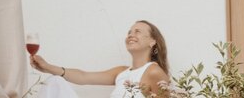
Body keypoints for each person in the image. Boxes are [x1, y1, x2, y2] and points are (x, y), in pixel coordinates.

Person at [30, 21, 171, 98]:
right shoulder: (121, 72)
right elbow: (83, 77)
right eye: (129, 32)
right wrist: (48, 67)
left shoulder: (153, 72)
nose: (130, 35)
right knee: (54, 82)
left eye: (137, 32)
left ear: (152, 42)